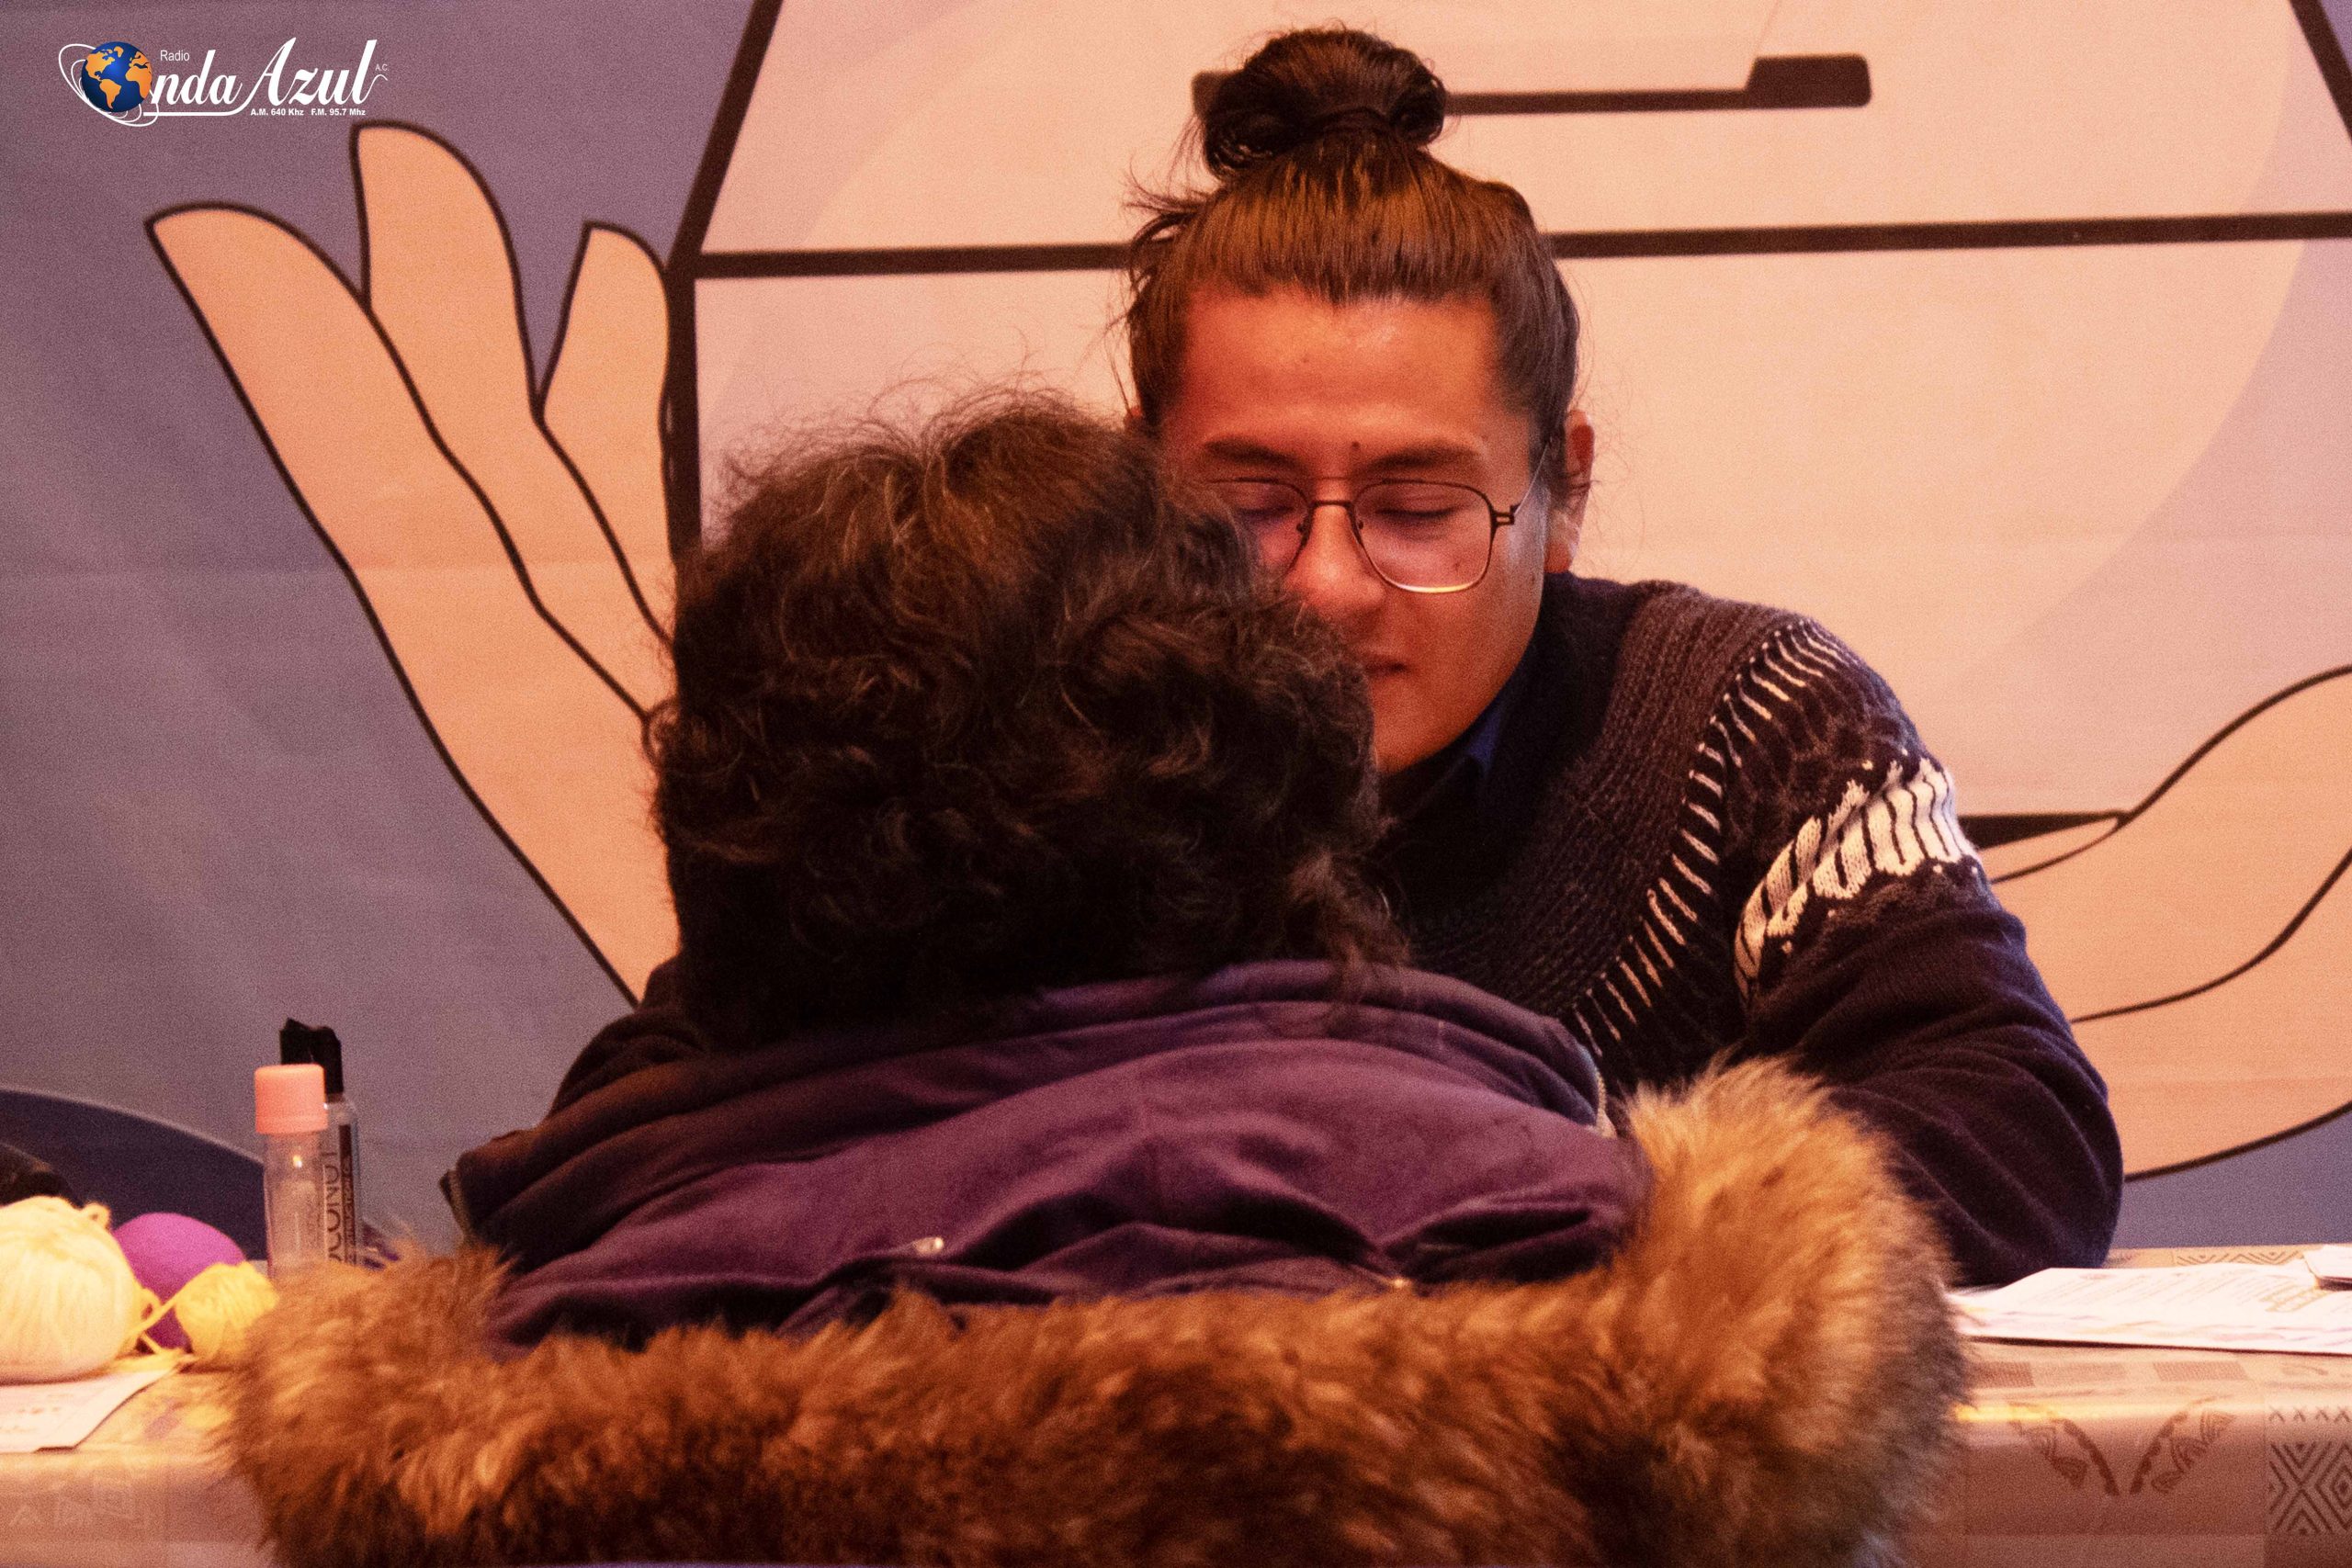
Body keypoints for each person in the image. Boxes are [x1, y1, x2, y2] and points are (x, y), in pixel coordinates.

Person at [1126, 27, 2122, 1284]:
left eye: (1420, 510)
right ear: (1136, 482)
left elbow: (2022, 1138)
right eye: (1250, 506)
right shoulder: (1037, 758)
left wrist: (1527, 1209)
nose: (1327, 584)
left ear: (1566, 492)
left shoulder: (1755, 722)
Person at [444, 393, 1647, 1348]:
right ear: (1285, 814)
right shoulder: (1608, 1284)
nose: (1335, 577)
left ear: (727, 860)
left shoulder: (538, 1368)